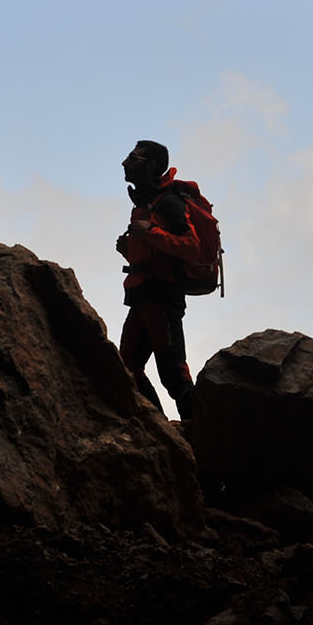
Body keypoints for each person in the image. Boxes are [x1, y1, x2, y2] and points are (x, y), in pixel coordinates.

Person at [116, 139, 199, 421]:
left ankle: (198, 430)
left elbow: (191, 246)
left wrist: (149, 232)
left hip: (163, 297)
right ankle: (158, 428)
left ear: (151, 166)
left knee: (172, 370)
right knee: (127, 368)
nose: (125, 163)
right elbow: (156, 253)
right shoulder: (149, 203)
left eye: (133, 158)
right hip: (143, 296)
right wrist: (130, 251)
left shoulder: (170, 203)